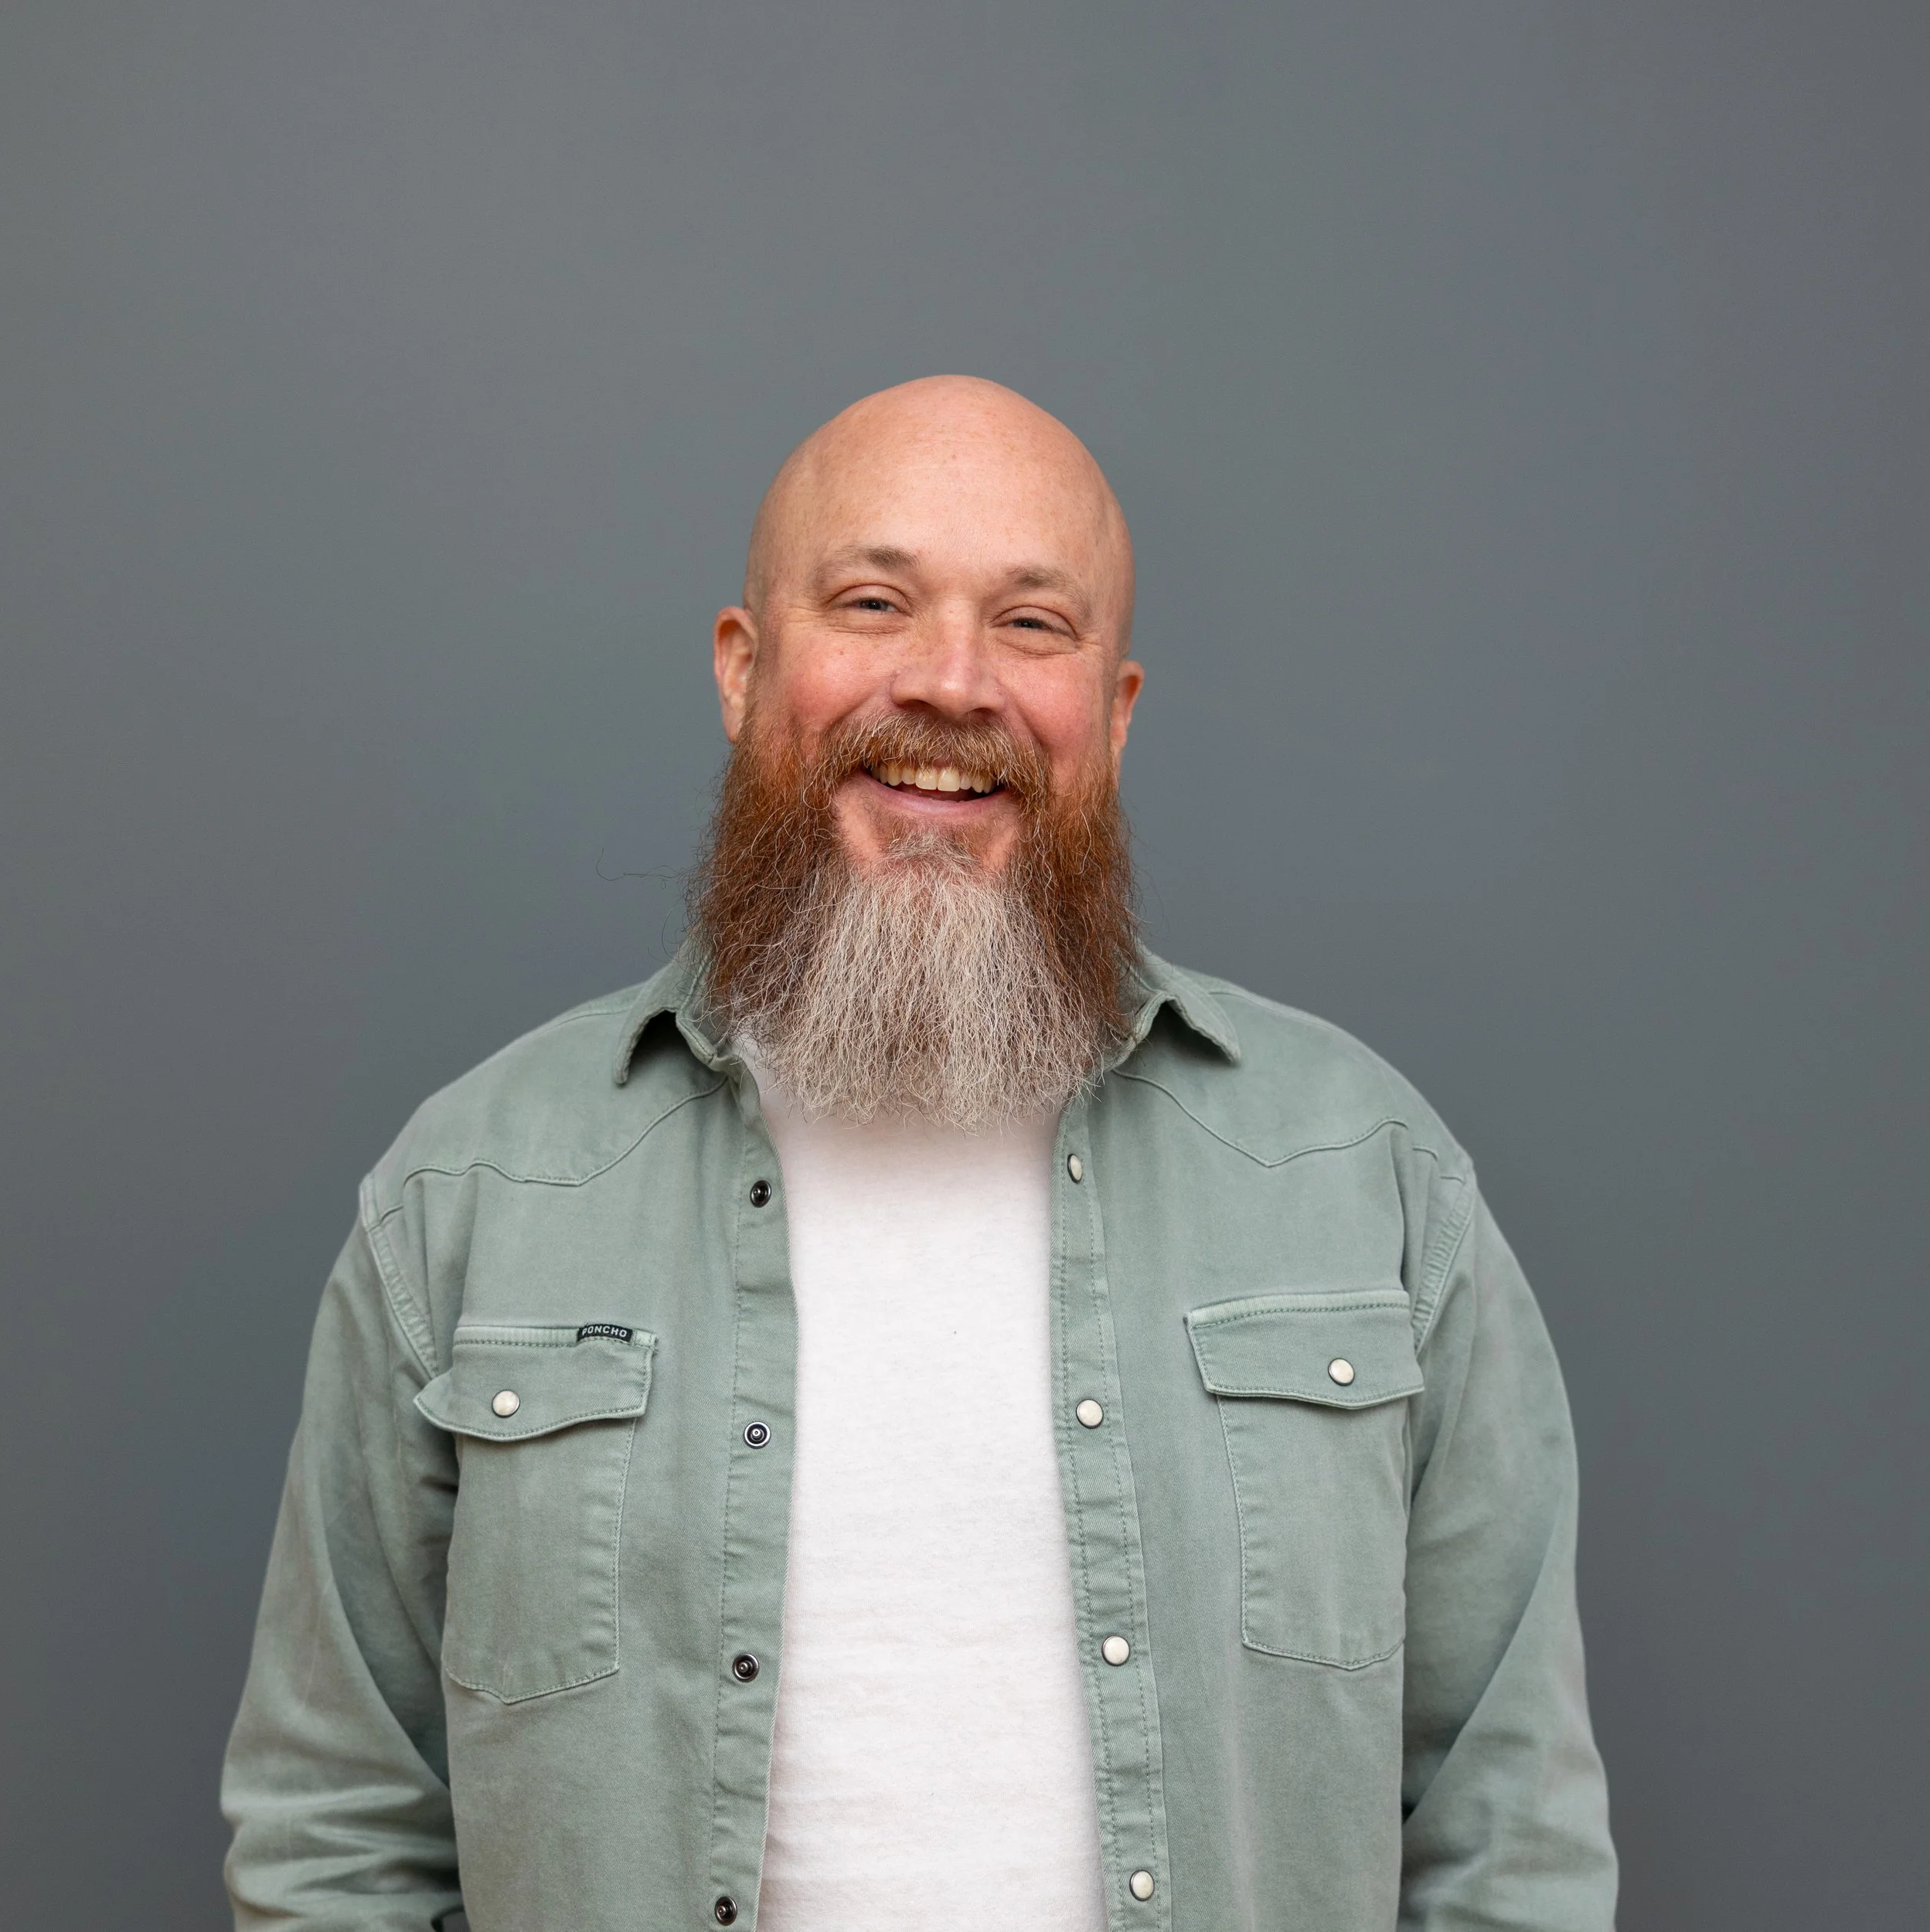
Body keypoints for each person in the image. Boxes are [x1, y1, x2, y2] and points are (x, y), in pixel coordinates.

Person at [223, 376, 1616, 1931]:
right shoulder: (472, 1194)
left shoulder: (1361, 1174)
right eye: (874, 601)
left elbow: (1510, 1836)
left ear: (1116, 707)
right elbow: (333, 1835)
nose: (951, 682)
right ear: (744, 670)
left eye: (1033, 623)